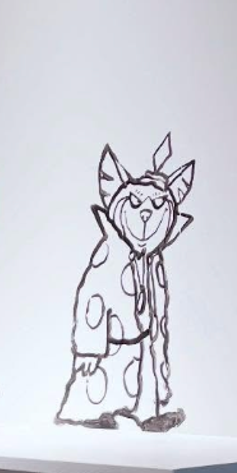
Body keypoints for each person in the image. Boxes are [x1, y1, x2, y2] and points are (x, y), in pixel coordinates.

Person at [56, 136, 195, 433]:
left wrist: (159, 348)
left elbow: (159, 309)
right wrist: (89, 349)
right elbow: (92, 298)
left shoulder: (153, 262)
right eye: (135, 203)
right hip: (112, 345)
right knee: (101, 385)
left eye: (157, 206)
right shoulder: (110, 255)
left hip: (142, 343)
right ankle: (93, 414)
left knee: (138, 384)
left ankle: (147, 415)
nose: (145, 213)